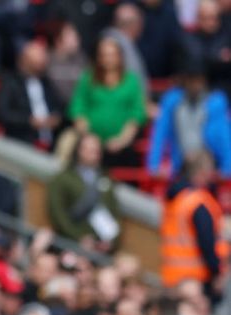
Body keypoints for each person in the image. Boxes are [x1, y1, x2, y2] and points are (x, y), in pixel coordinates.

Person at [160, 151, 229, 301]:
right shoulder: (197, 202)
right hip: (196, 279)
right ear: (201, 172)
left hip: (172, 276)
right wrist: (216, 272)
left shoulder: (174, 198)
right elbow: (207, 242)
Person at [68, 36, 146, 167]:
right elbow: (77, 108)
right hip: (90, 145)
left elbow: (137, 113)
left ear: (120, 56)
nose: (108, 59)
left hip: (123, 147)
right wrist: (88, 135)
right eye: (104, 55)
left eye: (112, 55)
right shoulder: (88, 78)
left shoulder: (131, 80)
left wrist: (122, 140)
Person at [147, 61, 231, 178]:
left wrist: (227, 169)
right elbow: (159, 134)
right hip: (181, 168)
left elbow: (224, 137)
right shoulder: (172, 101)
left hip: (208, 166)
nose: (195, 85)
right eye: (192, 80)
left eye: (199, 81)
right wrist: (153, 166)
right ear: (185, 81)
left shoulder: (215, 103)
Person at [48, 134, 121, 254]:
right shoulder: (63, 178)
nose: (96, 153)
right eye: (91, 150)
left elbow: (115, 212)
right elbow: (57, 213)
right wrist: (78, 237)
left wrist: (112, 241)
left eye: (98, 150)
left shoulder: (106, 179)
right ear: (79, 150)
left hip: (102, 245)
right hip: (71, 243)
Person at [0, 41, 64, 148]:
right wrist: (29, 121)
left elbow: (59, 106)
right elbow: (3, 114)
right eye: (36, 61)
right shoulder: (11, 82)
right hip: (23, 141)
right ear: (25, 60)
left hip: (51, 141)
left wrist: (55, 119)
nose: (41, 63)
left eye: (42, 60)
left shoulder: (46, 83)